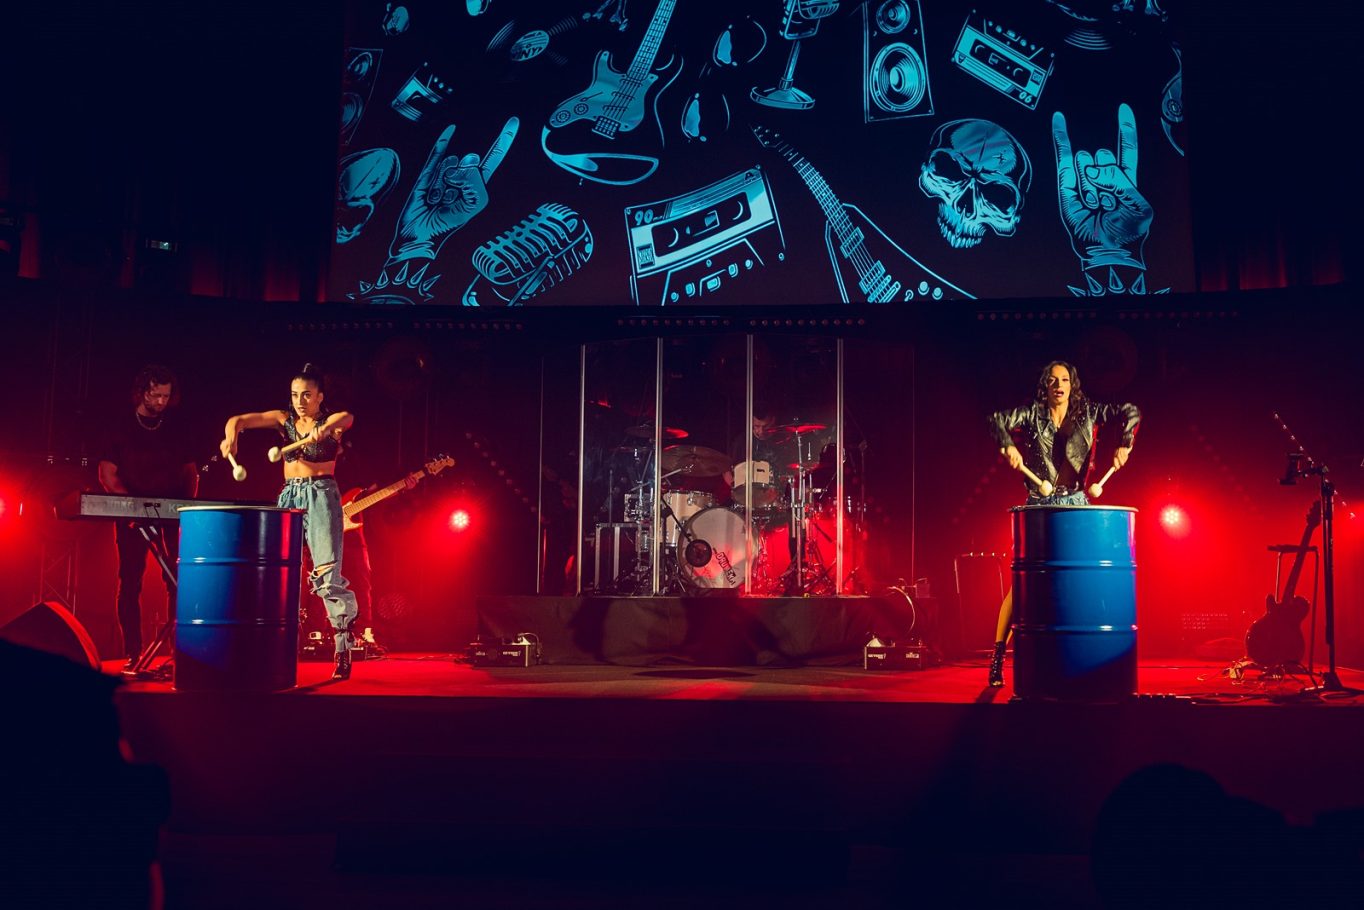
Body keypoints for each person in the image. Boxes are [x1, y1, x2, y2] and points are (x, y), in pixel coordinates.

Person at [984, 360, 1140, 686]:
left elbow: (1131, 411)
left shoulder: (1089, 412)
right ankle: (998, 657)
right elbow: (997, 420)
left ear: (1072, 385)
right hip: (1039, 506)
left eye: (1065, 380)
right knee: (1022, 586)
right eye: (1053, 380)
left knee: (1080, 581)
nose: (1059, 386)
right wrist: (1007, 445)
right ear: (1045, 385)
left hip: (1076, 504)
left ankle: (1080, 657)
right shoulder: (1032, 414)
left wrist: (1125, 444)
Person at [220, 364, 359, 680]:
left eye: (307, 395)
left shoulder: (330, 422)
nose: (300, 401)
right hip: (290, 496)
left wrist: (325, 428)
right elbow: (237, 420)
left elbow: (347, 417)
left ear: (320, 397)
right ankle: (275, 645)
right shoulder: (284, 420)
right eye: (295, 395)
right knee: (279, 571)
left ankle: (342, 649)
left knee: (327, 574)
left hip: (321, 495)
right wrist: (231, 440)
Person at [98, 364, 198, 670]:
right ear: (142, 392)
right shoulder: (121, 427)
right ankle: (133, 651)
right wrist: (131, 505)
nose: (161, 401)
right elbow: (107, 474)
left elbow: (190, 472)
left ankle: (179, 651)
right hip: (132, 513)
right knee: (130, 581)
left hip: (171, 512)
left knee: (178, 579)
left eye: (166, 396)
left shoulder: (176, 428)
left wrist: (185, 510)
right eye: (156, 395)